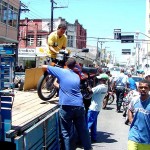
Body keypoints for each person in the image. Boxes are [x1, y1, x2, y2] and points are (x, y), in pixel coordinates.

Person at [42, 57, 92, 150]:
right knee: (83, 131)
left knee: (67, 134)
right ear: (75, 65)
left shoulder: (61, 71)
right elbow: (67, 87)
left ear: (66, 64)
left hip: (66, 107)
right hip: (79, 106)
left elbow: (44, 66)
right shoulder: (77, 76)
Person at [127, 79, 150, 150]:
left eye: (145, 87)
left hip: (146, 138)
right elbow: (130, 109)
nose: (143, 89)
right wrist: (131, 120)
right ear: (138, 88)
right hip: (134, 135)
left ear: (149, 89)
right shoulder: (134, 100)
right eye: (141, 87)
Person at [87, 73, 109, 142]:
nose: (98, 80)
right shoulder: (105, 87)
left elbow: (90, 90)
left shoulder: (100, 87)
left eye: (100, 79)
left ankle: (84, 139)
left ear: (103, 80)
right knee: (93, 123)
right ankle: (94, 137)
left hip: (93, 107)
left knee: (88, 123)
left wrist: (88, 85)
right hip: (98, 107)